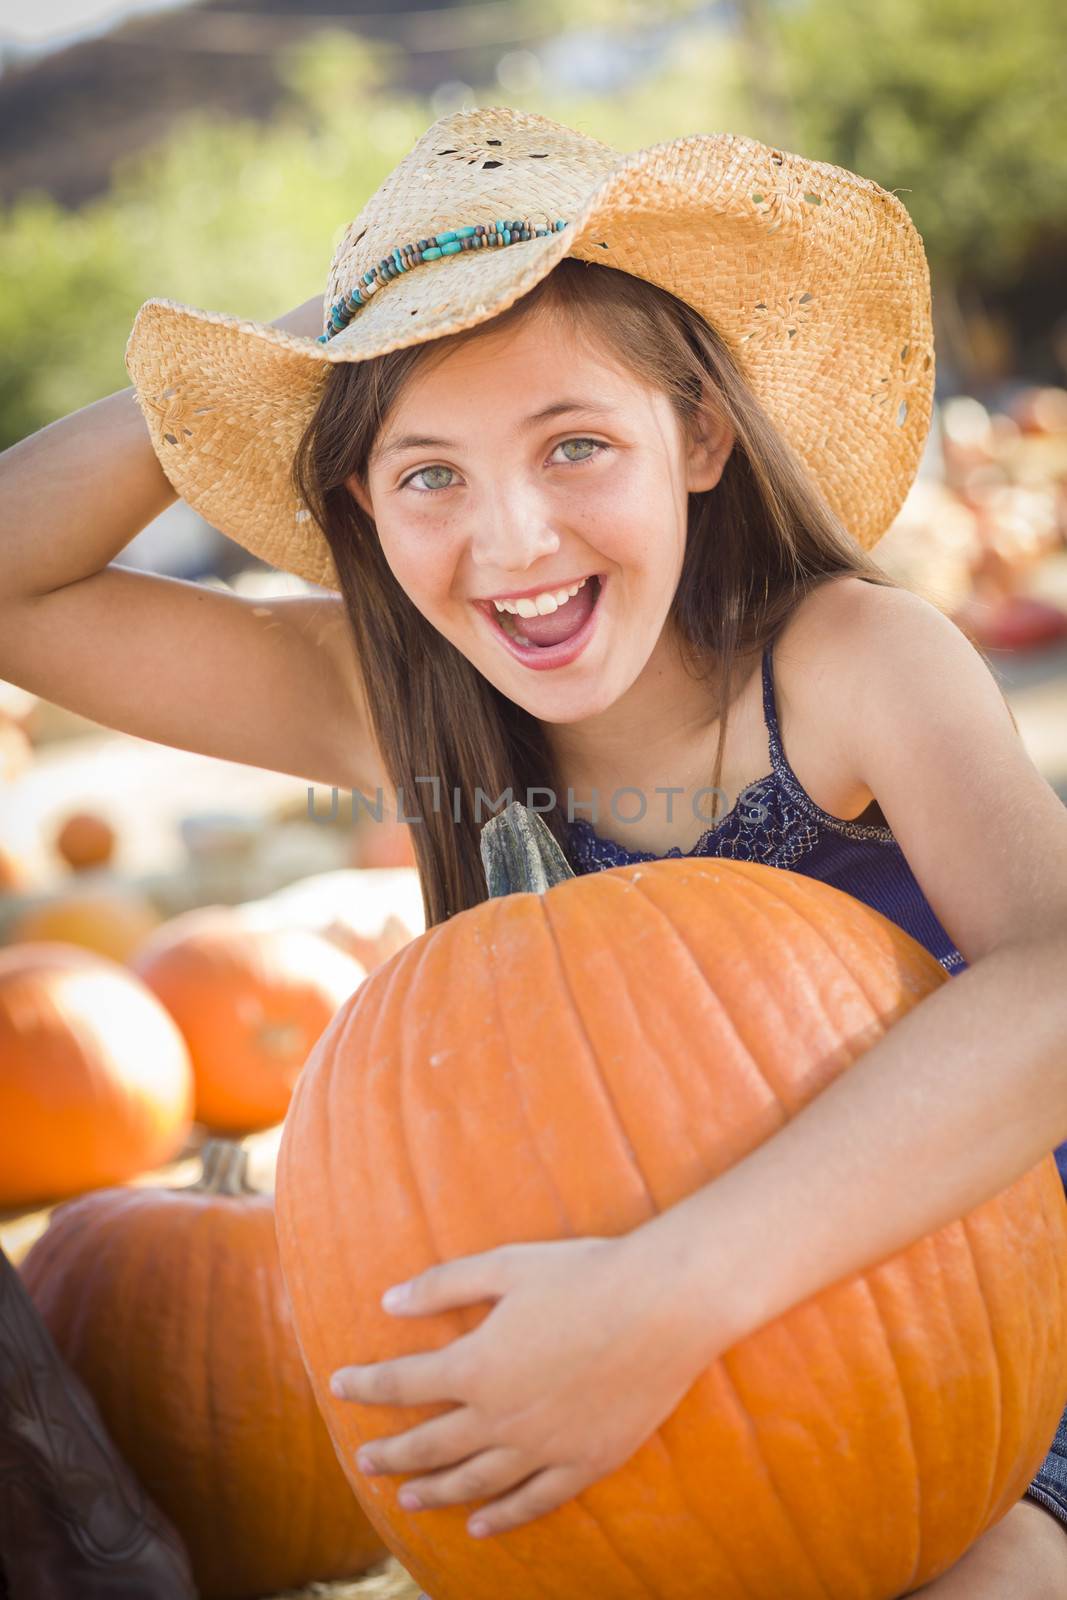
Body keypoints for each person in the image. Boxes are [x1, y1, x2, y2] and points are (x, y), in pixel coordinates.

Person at [3, 107, 1066, 1597]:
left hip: (997, 1330)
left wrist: (669, 1296)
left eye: (575, 443)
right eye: (428, 472)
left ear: (698, 435)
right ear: (362, 505)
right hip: (630, 1392)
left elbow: (1056, 984)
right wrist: (317, 344)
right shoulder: (405, 712)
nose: (513, 542)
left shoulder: (849, 665)